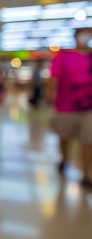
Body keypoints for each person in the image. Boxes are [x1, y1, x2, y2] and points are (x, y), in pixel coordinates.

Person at [46, 27, 92, 188]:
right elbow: (53, 77)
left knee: (89, 140)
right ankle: (64, 158)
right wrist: (50, 93)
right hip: (66, 105)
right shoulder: (64, 57)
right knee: (64, 137)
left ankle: (86, 174)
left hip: (89, 107)